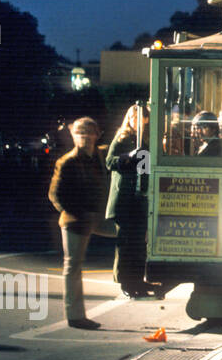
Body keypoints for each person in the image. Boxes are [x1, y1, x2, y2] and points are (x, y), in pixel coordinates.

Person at [49, 117, 111, 329]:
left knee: (132, 233)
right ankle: (75, 316)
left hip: (98, 217)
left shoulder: (101, 155)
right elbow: (55, 195)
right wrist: (77, 212)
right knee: (73, 266)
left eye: (89, 132)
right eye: (80, 133)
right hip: (76, 220)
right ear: (73, 136)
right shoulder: (67, 162)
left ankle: (135, 281)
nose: (85, 137)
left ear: (97, 135)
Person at [106, 104, 153, 297]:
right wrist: (127, 157)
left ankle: (138, 280)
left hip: (140, 196)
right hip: (125, 196)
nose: (136, 121)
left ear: (146, 119)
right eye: (133, 117)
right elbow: (109, 161)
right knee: (125, 242)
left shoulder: (148, 139)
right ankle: (125, 282)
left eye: (140, 117)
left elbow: (148, 168)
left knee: (139, 242)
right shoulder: (122, 137)